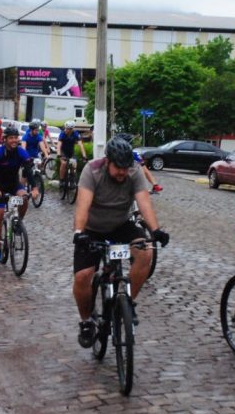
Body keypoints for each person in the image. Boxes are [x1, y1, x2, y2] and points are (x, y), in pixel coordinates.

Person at [72, 137, 170, 348]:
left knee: (145, 253)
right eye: (118, 168)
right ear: (108, 161)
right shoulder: (92, 171)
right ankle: (86, 321)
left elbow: (144, 203)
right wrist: (79, 232)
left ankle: (128, 302)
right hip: (92, 228)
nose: (122, 173)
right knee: (83, 276)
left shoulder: (133, 172)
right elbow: (83, 205)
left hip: (120, 225)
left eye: (126, 168)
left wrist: (156, 230)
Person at [0, 127, 38, 262]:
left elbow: (28, 170)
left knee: (24, 198)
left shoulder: (21, 152)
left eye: (16, 137)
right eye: (11, 138)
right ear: (5, 139)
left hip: (13, 184)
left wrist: (35, 188)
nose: (14, 140)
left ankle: (17, 223)